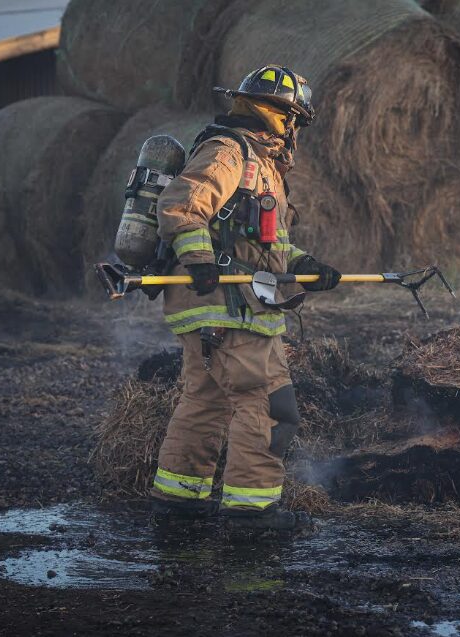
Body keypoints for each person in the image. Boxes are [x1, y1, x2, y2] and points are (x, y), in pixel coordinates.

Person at [149, 65, 340, 531]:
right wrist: (200, 262)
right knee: (270, 405)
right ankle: (252, 514)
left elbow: (265, 245)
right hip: (233, 308)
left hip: (214, 307)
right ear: (279, 115)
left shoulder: (259, 164)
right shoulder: (230, 152)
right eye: (293, 118)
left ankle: (178, 503)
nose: (294, 129)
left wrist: (305, 266)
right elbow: (180, 206)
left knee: (205, 402)